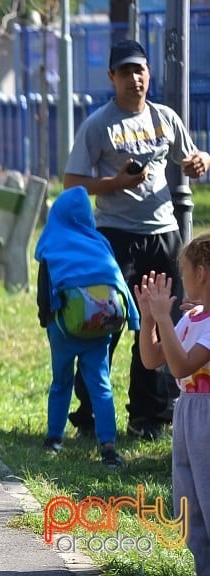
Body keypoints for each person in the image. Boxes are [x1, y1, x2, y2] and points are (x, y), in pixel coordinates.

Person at [63, 38, 210, 441]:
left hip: (163, 235)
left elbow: (194, 156)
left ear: (149, 74)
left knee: (160, 322)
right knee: (104, 324)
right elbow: (71, 183)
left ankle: (150, 417)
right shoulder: (98, 125)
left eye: (139, 70)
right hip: (115, 237)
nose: (134, 79)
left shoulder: (165, 117)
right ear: (112, 77)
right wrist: (116, 182)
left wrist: (201, 161)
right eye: (125, 72)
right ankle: (91, 416)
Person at [35, 186, 139, 467]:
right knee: (101, 385)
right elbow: (116, 280)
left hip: (65, 327)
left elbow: (45, 288)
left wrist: (46, 319)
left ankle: (54, 439)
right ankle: (108, 446)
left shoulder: (52, 242)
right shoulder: (99, 241)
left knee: (61, 382)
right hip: (101, 325)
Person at [134, 234, 210, 573]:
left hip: (206, 414)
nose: (180, 278)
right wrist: (149, 318)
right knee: (189, 500)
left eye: (184, 271)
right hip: (187, 414)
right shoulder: (191, 319)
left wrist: (165, 318)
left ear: (202, 273)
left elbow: (181, 366)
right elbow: (152, 359)